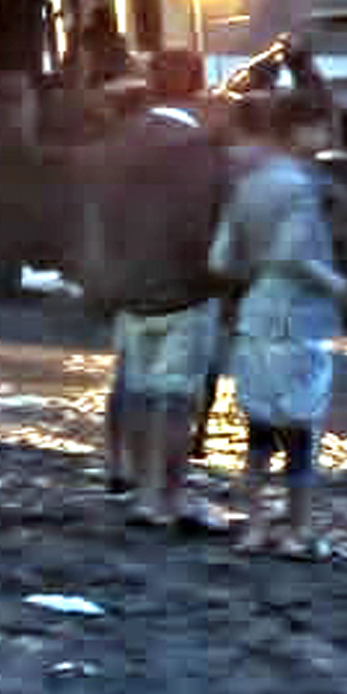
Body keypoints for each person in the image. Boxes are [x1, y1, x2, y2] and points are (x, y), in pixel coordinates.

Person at [209, 97, 347, 558]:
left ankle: (253, 528)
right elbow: (293, 255)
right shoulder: (300, 186)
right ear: (299, 131)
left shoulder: (246, 186)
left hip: (254, 316)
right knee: (301, 436)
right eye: (322, 129)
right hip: (297, 319)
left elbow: (220, 260)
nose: (328, 139)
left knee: (259, 434)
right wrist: (335, 282)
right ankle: (296, 532)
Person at [93, 105, 232, 531]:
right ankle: (169, 499)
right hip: (185, 301)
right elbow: (212, 236)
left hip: (133, 300)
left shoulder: (118, 155)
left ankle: (141, 494)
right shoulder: (201, 160)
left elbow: (103, 228)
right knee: (176, 405)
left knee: (138, 395)